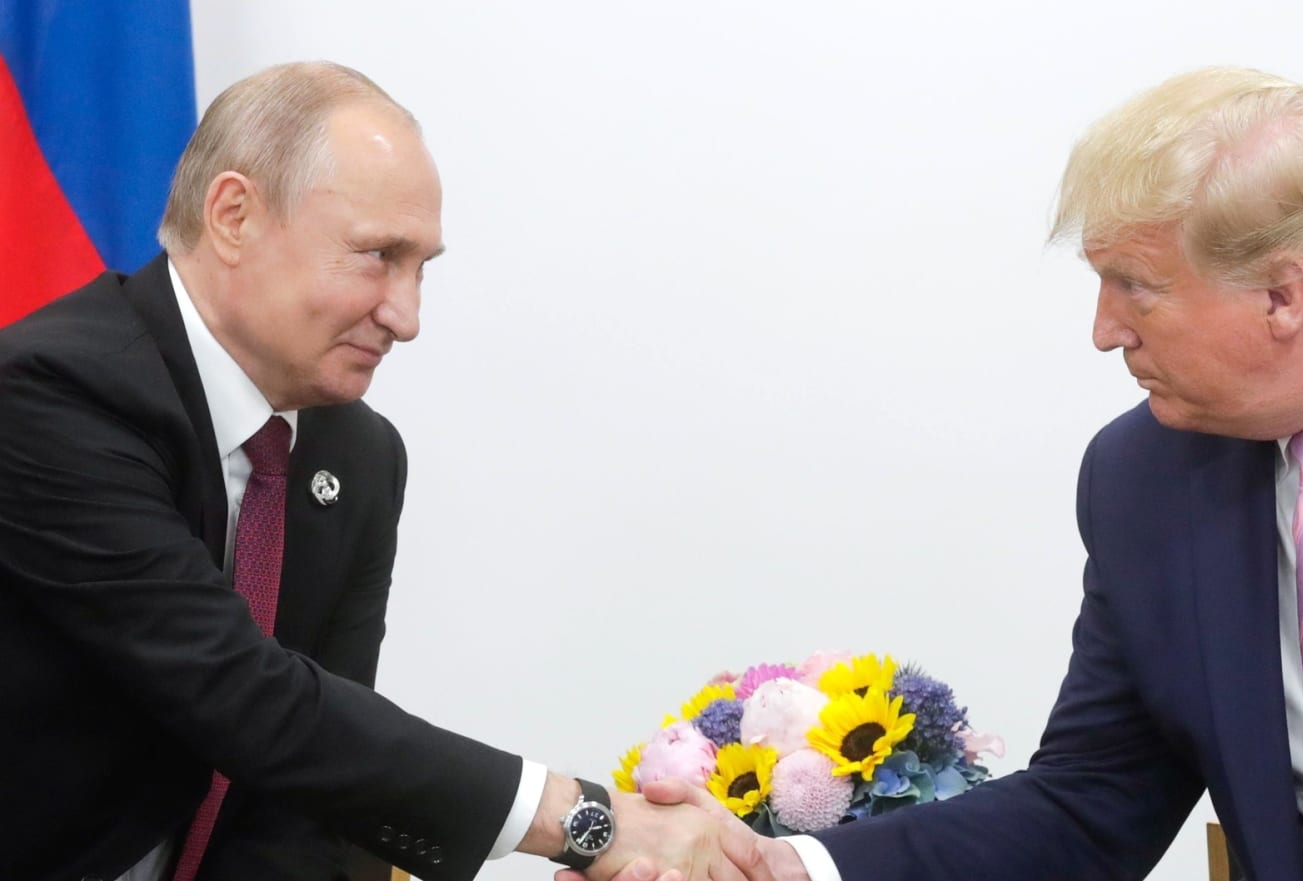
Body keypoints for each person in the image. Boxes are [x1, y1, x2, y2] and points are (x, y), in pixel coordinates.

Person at [587, 66, 1303, 881]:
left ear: (1282, 292)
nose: (1104, 333)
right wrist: (790, 866)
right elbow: (1092, 800)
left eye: (1135, 287)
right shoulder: (1147, 477)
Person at [0, 62, 766, 881]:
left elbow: (309, 790)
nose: (406, 316)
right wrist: (585, 819)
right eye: (377, 256)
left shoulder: (357, 453)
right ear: (234, 216)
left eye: (422, 267)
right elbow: (245, 695)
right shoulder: (46, 394)